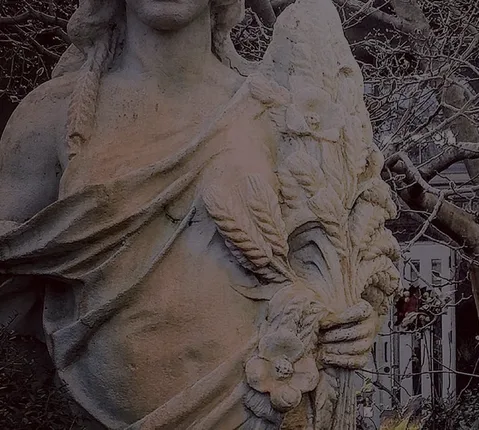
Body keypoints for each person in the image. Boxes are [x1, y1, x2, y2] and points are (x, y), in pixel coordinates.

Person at [0, 1, 398, 428]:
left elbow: (348, 249)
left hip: (253, 406)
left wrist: (351, 322)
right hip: (83, 411)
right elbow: (10, 282)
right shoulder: (52, 116)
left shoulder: (275, 111)